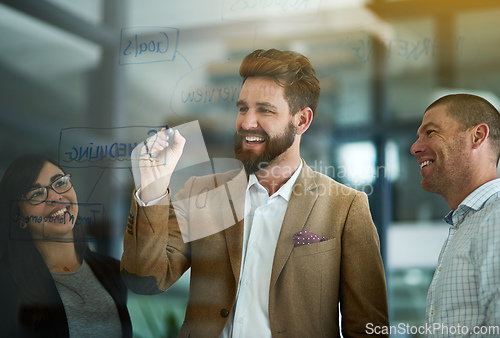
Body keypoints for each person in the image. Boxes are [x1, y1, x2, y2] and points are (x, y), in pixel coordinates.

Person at [121, 48, 389, 337]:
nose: (247, 122)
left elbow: (368, 328)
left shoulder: (346, 207)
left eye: (265, 110)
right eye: (242, 108)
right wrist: (152, 187)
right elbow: (144, 280)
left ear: (301, 120)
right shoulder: (203, 193)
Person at [0, 153, 132, 337]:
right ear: (20, 217)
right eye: (37, 193)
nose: (55, 197)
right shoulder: (7, 286)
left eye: (60, 182)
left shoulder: (112, 271)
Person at [410, 94, 500, 335]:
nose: (415, 148)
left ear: (478, 136)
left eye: (431, 132)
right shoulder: (468, 222)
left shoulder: (496, 218)